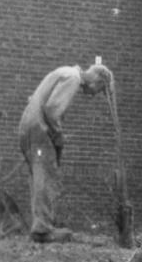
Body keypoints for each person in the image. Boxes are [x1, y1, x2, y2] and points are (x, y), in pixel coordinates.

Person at [18, 63, 113, 243]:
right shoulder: (73, 78)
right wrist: (58, 135)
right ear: (98, 81)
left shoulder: (64, 72)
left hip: (29, 128)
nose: (92, 95)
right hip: (39, 131)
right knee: (45, 174)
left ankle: (41, 225)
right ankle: (42, 230)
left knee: (39, 175)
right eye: (99, 90)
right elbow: (52, 110)